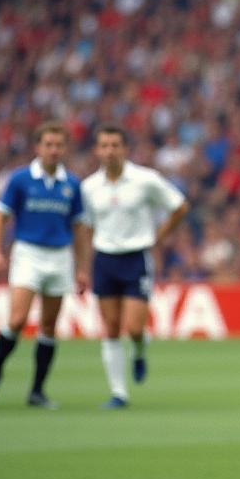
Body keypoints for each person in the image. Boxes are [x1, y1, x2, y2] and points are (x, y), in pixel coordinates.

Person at [0, 121, 91, 409]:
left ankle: (37, 391)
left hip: (60, 256)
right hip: (28, 253)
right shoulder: (20, 180)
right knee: (17, 319)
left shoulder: (72, 185)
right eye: (48, 144)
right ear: (38, 147)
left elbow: (79, 229)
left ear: (65, 148)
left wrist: (81, 268)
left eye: (58, 145)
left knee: (49, 326)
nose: (54, 150)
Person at [79, 125, 189, 408]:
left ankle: (139, 351)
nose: (110, 151)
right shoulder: (89, 187)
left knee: (134, 328)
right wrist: (84, 263)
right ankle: (119, 393)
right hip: (104, 259)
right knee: (111, 328)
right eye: (104, 145)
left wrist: (158, 238)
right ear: (97, 150)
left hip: (136, 258)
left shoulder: (145, 179)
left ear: (125, 149)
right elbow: (85, 226)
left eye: (115, 145)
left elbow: (179, 206)